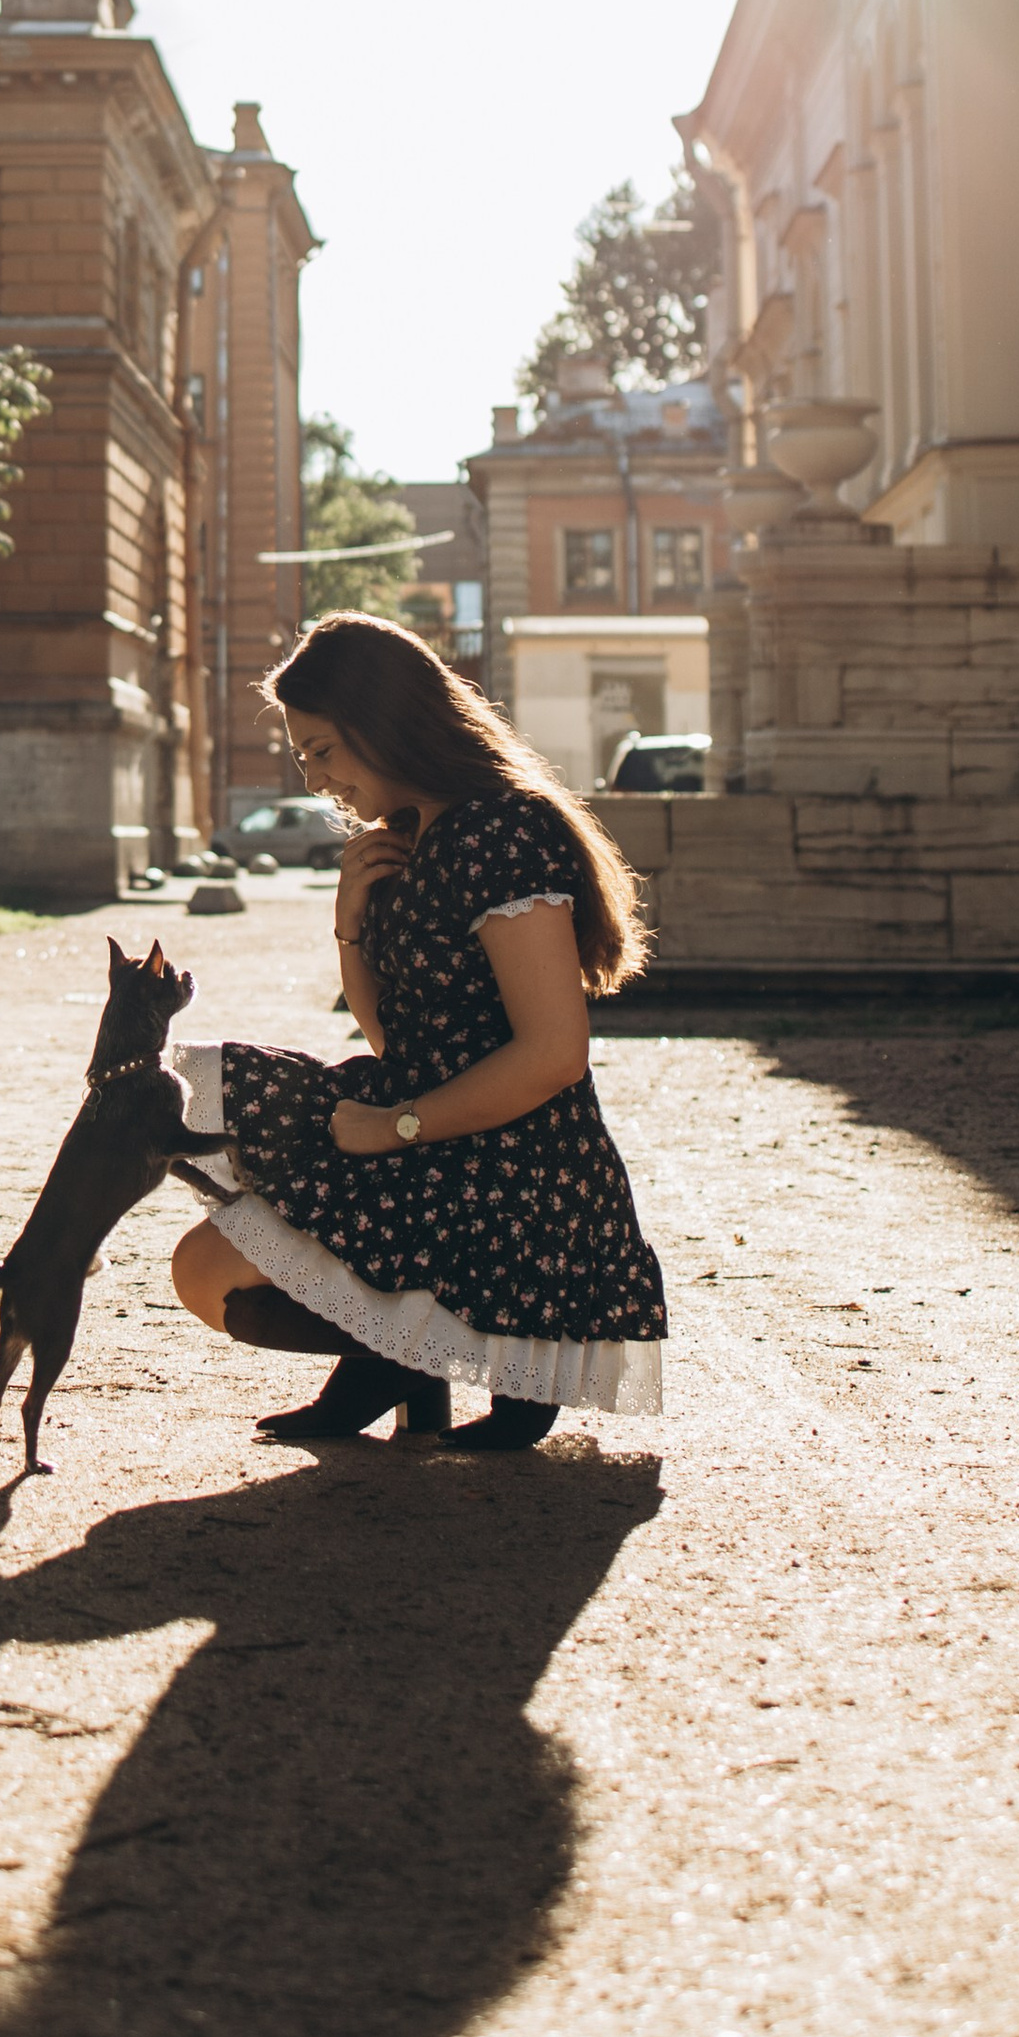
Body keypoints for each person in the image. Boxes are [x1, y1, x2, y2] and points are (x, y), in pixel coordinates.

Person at [170, 612, 666, 1454]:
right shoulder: (406, 837)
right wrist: (349, 922)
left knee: (215, 1265)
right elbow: (393, 1039)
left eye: (323, 750)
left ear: (385, 722)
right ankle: (402, 1355)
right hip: (427, 1134)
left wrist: (394, 1127)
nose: (314, 778)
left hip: (516, 1170)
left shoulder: (505, 830)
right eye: (301, 757)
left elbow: (555, 1053)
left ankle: (471, 1356)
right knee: (202, 1266)